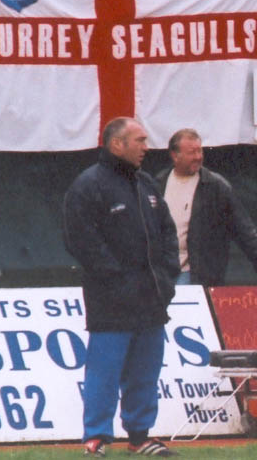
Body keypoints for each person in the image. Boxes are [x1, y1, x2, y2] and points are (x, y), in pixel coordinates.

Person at [62, 117, 180, 457]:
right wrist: (116, 278)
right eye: (139, 140)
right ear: (117, 144)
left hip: (152, 299)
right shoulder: (89, 185)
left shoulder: (147, 185)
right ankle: (96, 437)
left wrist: (167, 275)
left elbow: (168, 233)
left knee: (145, 372)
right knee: (105, 372)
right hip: (110, 301)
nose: (146, 147)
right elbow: (80, 239)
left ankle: (140, 438)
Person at [154, 129, 257, 286]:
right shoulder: (158, 183)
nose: (198, 157)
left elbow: (243, 228)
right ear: (175, 156)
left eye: (199, 151)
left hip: (195, 273)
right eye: (191, 153)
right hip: (161, 271)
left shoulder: (216, 186)